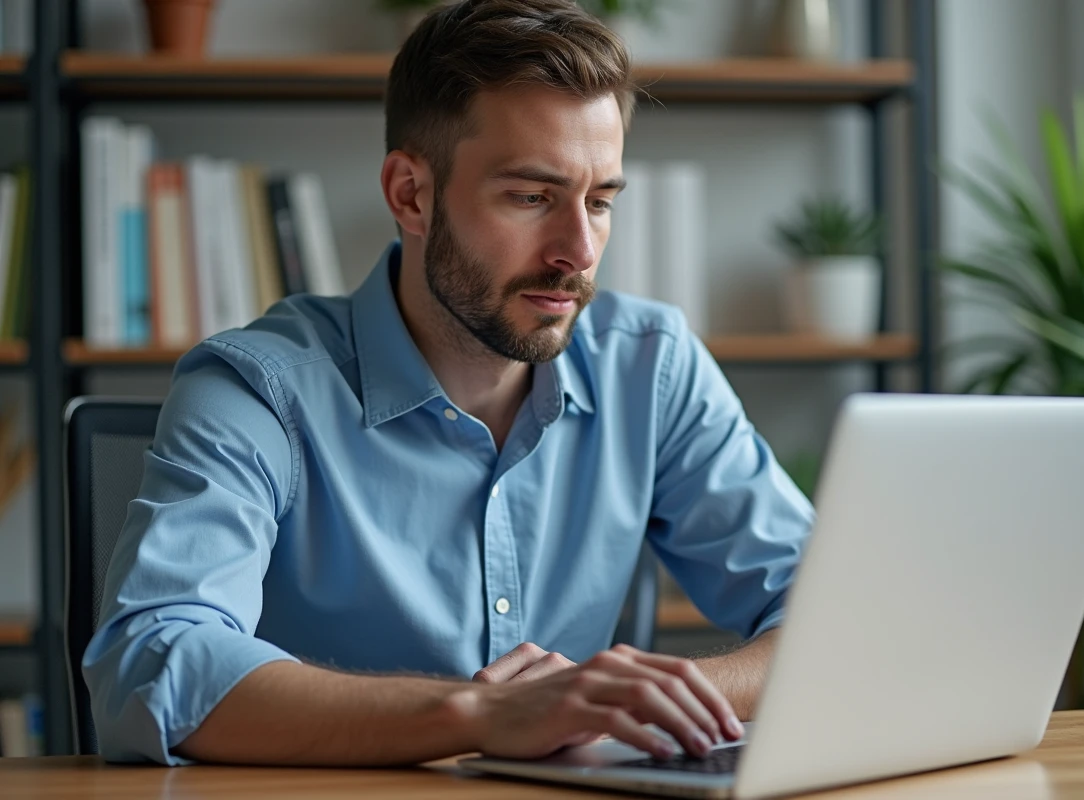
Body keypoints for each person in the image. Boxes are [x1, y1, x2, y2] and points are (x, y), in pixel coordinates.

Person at [84, 0, 814, 767]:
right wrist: (482, 714)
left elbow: (839, 615)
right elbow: (151, 665)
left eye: (600, 202)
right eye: (532, 197)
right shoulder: (257, 388)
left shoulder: (651, 366)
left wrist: (637, 699)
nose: (578, 249)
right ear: (411, 194)